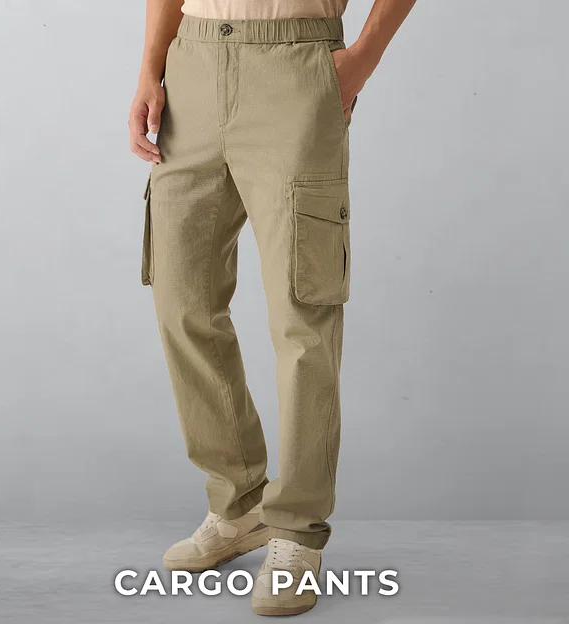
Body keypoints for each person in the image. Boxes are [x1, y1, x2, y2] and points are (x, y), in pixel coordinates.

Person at [129, 0, 416, 616]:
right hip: (191, 66)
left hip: (296, 68)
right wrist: (151, 69)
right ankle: (239, 505)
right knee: (181, 301)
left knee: (302, 314)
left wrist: (361, 60)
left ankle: (297, 531)